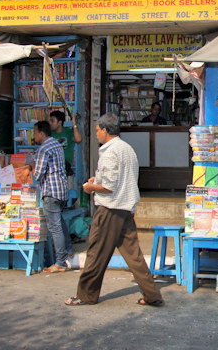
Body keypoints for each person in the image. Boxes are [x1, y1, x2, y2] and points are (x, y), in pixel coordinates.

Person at [65, 113, 163, 307]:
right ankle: (152, 295)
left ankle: (86, 295)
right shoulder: (127, 149)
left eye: (97, 130)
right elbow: (120, 179)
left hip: (110, 209)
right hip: (125, 209)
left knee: (95, 253)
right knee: (134, 256)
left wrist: (90, 187)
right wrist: (97, 181)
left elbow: (109, 186)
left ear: (105, 130)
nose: (96, 134)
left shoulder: (109, 151)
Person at [29, 121, 73, 273]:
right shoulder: (56, 144)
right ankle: (68, 249)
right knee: (59, 221)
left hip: (50, 191)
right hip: (61, 190)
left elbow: (39, 174)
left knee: (54, 227)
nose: (33, 136)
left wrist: (30, 169)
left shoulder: (44, 149)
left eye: (34, 133)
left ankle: (60, 262)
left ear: (42, 133)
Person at [49, 110, 82, 174]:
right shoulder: (50, 134)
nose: (50, 123)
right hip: (52, 163)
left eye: (52, 121)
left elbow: (78, 139)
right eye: (50, 121)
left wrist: (74, 124)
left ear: (59, 122)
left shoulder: (68, 132)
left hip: (64, 163)